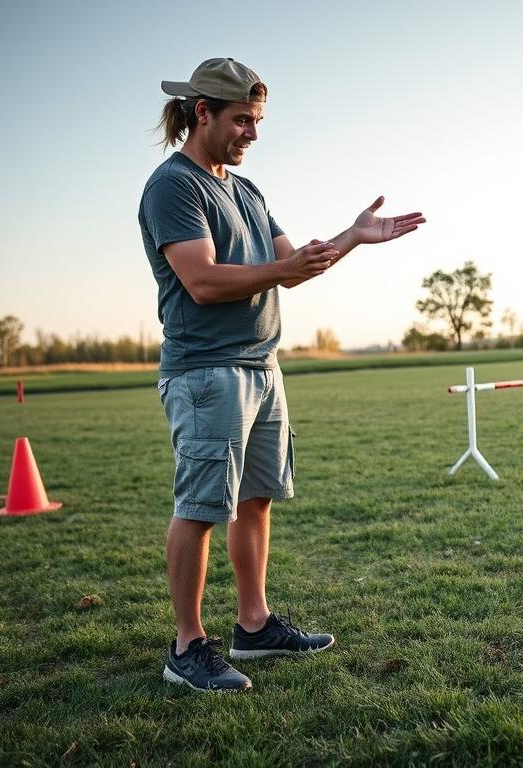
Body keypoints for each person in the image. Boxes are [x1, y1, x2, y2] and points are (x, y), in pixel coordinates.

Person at [138, 58, 425, 692]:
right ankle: (187, 646)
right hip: (207, 372)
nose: (253, 134)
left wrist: (352, 237)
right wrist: (282, 273)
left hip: (262, 367)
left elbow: (292, 261)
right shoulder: (173, 187)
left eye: (258, 121)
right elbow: (204, 279)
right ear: (202, 112)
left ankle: (255, 624)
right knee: (200, 507)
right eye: (243, 120)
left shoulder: (246, 191)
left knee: (255, 499)